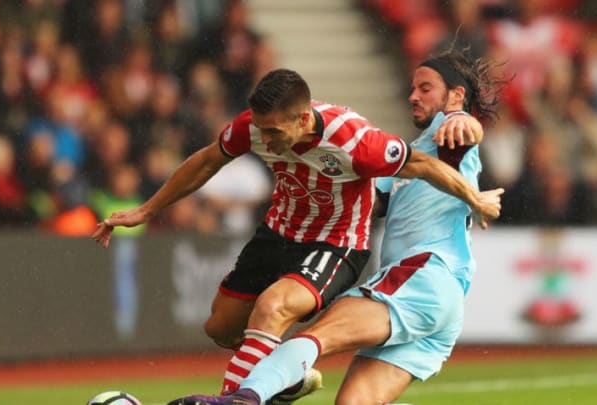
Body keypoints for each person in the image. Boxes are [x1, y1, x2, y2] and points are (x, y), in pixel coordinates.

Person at [91, 68, 501, 403]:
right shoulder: (252, 127)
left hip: (338, 244)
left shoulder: (357, 140)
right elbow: (205, 161)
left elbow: (430, 162)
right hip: (279, 232)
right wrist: (147, 210)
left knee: (276, 309)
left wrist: (475, 191)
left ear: (303, 119)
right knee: (221, 328)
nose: (264, 141)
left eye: (273, 133)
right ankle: (284, 380)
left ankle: (237, 399)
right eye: (261, 130)